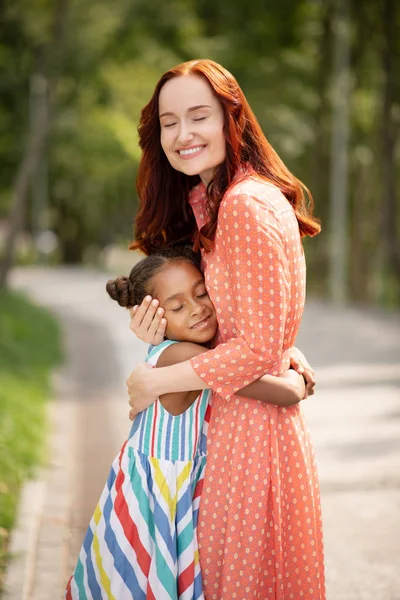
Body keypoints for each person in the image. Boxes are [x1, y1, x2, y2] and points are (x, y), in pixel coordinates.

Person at [126, 59, 325, 599]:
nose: (183, 134)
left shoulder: (243, 205)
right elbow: (255, 324)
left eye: (199, 116)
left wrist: (157, 379)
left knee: (240, 583)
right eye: (170, 122)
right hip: (244, 423)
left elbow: (259, 346)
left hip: (250, 436)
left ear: (230, 119)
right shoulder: (220, 200)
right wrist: (163, 341)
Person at [65, 247, 307, 600]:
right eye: (178, 307)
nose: (197, 309)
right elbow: (285, 394)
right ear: (156, 319)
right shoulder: (185, 356)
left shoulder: (180, 351)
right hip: (155, 499)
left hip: (152, 487)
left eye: (201, 292)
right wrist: (298, 374)